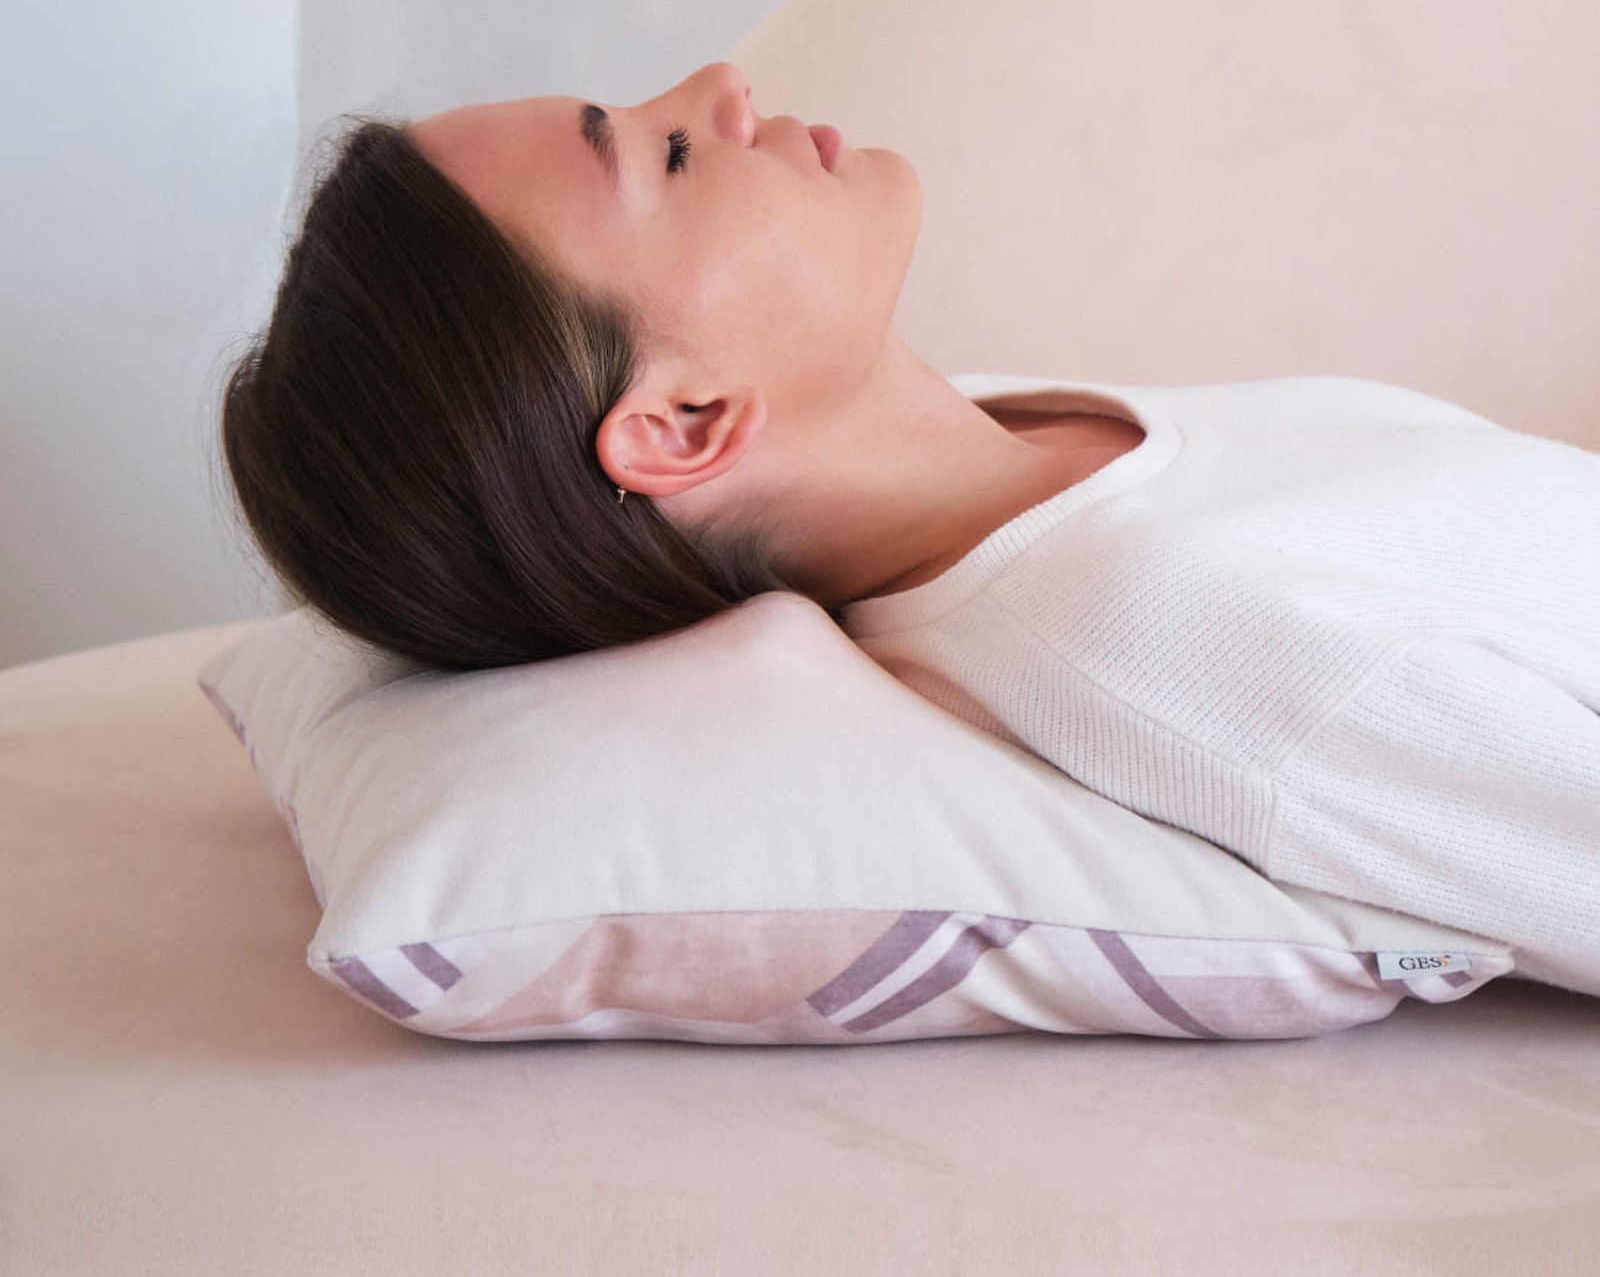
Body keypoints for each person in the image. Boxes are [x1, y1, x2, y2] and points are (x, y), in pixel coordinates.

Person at [220, 60, 1600, 995]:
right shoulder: (1162, 638)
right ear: (685, 422)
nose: (723, 84)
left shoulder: (1024, 436)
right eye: (673, 155)